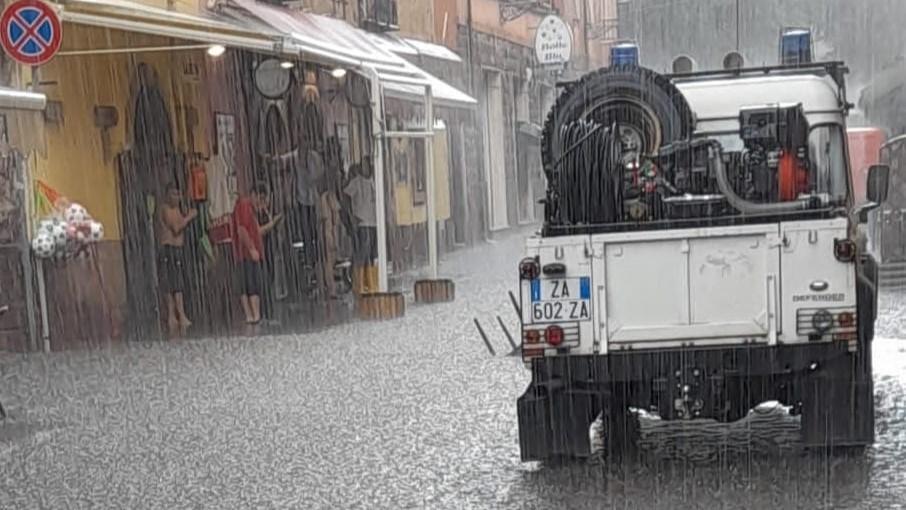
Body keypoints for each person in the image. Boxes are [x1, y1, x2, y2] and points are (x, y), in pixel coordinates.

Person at [233, 183, 276, 325]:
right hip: (246, 254)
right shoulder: (244, 205)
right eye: (260, 198)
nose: (261, 202)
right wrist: (251, 248)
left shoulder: (251, 209)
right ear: (253, 194)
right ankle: (253, 315)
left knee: (251, 284)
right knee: (251, 285)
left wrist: (270, 219)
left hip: (250, 253)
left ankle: (254, 316)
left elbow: (258, 231)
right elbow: (241, 229)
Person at [157, 182, 198, 331]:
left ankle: (181, 314)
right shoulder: (165, 209)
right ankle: (171, 315)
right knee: (169, 283)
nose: (176, 198)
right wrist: (189, 217)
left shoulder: (178, 209)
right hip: (168, 249)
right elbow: (176, 228)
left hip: (178, 250)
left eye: (178, 194)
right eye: (173, 194)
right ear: (167, 194)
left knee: (178, 283)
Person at [343, 158, 378, 293]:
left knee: (371, 254)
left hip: (373, 221)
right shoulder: (356, 182)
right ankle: (358, 281)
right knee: (362, 252)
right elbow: (345, 196)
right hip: (362, 222)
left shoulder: (374, 181)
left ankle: (369, 281)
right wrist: (352, 215)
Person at [318, 170, 342, 299]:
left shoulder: (330, 196)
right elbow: (327, 219)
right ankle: (330, 288)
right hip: (328, 231)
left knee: (330, 261)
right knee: (328, 261)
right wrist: (330, 237)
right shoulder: (325, 198)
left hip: (331, 231)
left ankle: (329, 287)